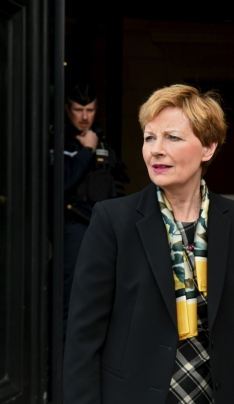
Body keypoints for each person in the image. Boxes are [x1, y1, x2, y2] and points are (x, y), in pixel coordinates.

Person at [63, 84, 234, 403]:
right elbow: (82, 337)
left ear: (208, 147)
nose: (156, 149)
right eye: (149, 137)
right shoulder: (113, 220)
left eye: (172, 137)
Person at [62, 82, 128, 337]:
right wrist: (86, 150)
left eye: (90, 109)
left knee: (104, 298)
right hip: (74, 227)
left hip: (102, 231)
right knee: (73, 299)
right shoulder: (61, 142)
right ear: (68, 110)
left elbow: (117, 189)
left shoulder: (104, 143)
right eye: (79, 109)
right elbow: (61, 184)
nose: (85, 116)